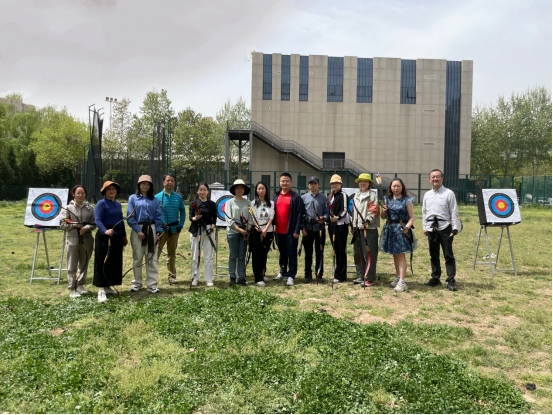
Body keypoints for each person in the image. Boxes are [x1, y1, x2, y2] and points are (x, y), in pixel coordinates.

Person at [422, 169, 459, 291]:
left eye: (437, 176)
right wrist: (424, 226)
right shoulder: (427, 195)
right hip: (431, 228)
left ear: (442, 178)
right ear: (429, 179)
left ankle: (451, 280)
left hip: (445, 227)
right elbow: (424, 212)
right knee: (433, 254)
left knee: (448, 255)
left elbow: (454, 210)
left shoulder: (449, 193)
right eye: (433, 177)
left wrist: (455, 227)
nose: (435, 179)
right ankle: (435, 277)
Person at [127, 175, 163, 293]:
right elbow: (130, 217)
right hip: (138, 228)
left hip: (151, 228)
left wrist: (158, 231)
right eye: (143, 183)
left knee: (151, 256)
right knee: (137, 256)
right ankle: (137, 283)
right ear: (139, 185)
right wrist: (138, 230)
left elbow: (158, 216)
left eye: (148, 184)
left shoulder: (154, 200)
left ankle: (152, 284)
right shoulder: (133, 198)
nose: (145, 186)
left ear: (151, 186)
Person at [93, 181, 127, 303]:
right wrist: (105, 230)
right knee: (102, 261)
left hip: (117, 236)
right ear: (104, 191)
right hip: (105, 237)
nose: (112, 191)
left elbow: (121, 220)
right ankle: (101, 289)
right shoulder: (101, 203)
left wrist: (124, 236)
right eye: (109, 189)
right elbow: (97, 219)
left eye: (114, 189)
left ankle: (108, 285)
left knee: (113, 262)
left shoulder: (118, 204)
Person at [379, 178, 415, 292]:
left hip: (401, 230)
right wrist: (384, 211)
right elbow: (383, 217)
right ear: (390, 187)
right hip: (390, 229)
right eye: (394, 186)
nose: (396, 188)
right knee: (395, 254)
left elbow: (412, 217)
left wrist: (407, 227)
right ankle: (399, 276)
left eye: (398, 186)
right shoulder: (387, 199)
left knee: (400, 255)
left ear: (402, 187)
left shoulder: (407, 200)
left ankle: (402, 282)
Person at [60, 185, 96, 298]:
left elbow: (94, 222)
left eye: (83, 193)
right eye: (78, 193)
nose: (80, 195)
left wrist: (87, 227)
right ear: (73, 194)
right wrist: (75, 225)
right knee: (72, 264)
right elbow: (63, 224)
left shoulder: (90, 208)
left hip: (87, 239)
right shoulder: (67, 208)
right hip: (73, 239)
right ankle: (73, 287)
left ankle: (80, 285)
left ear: (85, 194)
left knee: (84, 263)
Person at [272, 172, 304, 286]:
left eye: (287, 181)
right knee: (282, 253)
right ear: (279, 182)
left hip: (291, 231)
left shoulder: (296, 197)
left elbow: (300, 215)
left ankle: (291, 275)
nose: (284, 183)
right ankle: (282, 272)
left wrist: (297, 230)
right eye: (282, 181)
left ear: (291, 182)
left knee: (292, 253)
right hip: (278, 231)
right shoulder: (275, 196)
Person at [155, 173, 186, 285]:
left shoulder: (178, 197)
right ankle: (152, 277)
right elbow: (154, 214)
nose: (170, 182)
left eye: (172, 180)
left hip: (174, 230)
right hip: (161, 230)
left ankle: (172, 276)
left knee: (171, 254)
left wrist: (180, 225)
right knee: (156, 254)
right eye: (168, 180)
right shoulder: (157, 197)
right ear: (163, 182)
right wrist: (157, 228)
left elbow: (183, 211)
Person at [351, 173, 380, 287]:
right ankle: (360, 275)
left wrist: (368, 220)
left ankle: (369, 277)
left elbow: (374, 210)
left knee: (369, 253)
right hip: (357, 228)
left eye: (365, 181)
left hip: (369, 228)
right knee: (357, 253)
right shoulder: (356, 195)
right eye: (360, 181)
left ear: (369, 183)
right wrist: (353, 225)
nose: (362, 183)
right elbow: (354, 212)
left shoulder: (372, 195)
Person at [301, 176, 329, 283]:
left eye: (315, 183)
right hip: (307, 228)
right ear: (308, 185)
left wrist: (324, 218)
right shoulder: (303, 198)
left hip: (320, 228)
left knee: (319, 252)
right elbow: (301, 214)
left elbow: (327, 212)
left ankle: (319, 274)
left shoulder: (324, 198)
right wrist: (302, 227)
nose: (313, 185)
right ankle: (307, 275)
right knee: (308, 253)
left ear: (318, 185)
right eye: (311, 183)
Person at [225, 179, 253, 286]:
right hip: (233, 232)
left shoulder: (248, 203)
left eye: (241, 188)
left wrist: (247, 229)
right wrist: (239, 229)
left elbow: (251, 217)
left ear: (244, 190)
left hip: (244, 233)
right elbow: (229, 219)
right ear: (234, 190)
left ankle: (241, 277)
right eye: (237, 188)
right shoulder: (229, 203)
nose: (239, 190)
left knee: (242, 255)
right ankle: (232, 277)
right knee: (233, 256)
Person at [189, 182, 217, 287]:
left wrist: (211, 228)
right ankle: (195, 278)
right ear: (197, 191)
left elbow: (214, 218)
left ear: (207, 191)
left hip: (208, 231)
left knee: (208, 257)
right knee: (195, 256)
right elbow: (190, 217)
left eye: (204, 190)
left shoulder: (212, 204)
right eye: (200, 190)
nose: (202, 192)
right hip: (196, 231)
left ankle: (209, 279)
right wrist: (195, 218)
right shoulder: (193, 204)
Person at [249, 181, 275, 287]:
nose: (261, 190)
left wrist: (265, 230)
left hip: (268, 231)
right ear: (256, 190)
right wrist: (258, 228)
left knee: (264, 253)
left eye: (263, 188)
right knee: (256, 254)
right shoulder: (252, 203)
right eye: (259, 188)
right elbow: (252, 217)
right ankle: (258, 278)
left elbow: (271, 217)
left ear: (266, 190)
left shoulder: (271, 203)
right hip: (257, 232)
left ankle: (262, 273)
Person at [327, 174, 350, 283]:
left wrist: (338, 217)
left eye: (336, 183)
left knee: (340, 250)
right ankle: (337, 273)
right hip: (332, 225)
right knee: (335, 249)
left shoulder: (343, 195)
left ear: (341, 184)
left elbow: (344, 210)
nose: (334, 185)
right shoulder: (330, 195)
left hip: (341, 225)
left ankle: (341, 276)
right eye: (332, 183)